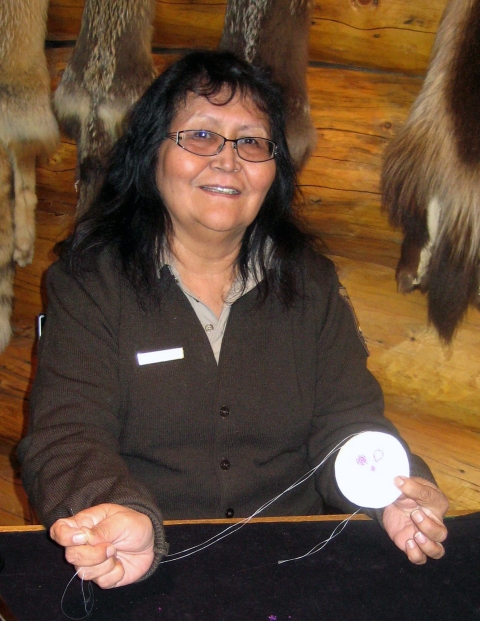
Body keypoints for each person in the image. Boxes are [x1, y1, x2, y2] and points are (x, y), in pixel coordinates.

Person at [18, 50, 449, 589]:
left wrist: (396, 496)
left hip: (294, 566)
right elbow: (66, 434)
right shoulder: (89, 282)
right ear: (152, 152)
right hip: (143, 561)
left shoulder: (310, 284)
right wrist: (114, 511)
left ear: (275, 169)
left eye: (251, 141)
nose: (227, 161)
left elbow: (348, 423)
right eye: (200, 136)